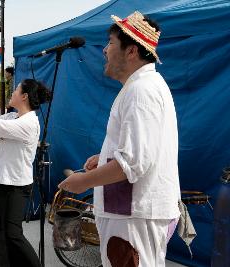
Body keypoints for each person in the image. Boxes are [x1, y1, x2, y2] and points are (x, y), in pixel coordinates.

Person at [58, 11, 180, 267]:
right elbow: (142, 151)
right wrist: (103, 159)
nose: (104, 50)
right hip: (131, 213)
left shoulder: (142, 90)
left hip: (133, 214)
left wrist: (84, 181)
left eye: (111, 43)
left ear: (131, 51)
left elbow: (133, 163)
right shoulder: (143, 86)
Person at [0, 79, 49, 267]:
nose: (12, 92)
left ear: (24, 96)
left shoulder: (28, 122)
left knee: (12, 234)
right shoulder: (14, 117)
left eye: (16, 89)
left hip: (15, 186)